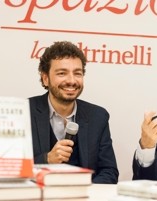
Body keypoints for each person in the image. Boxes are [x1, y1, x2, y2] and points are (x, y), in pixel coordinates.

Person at [29, 41, 119, 184]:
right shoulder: (25, 112)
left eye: (77, 73)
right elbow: (6, 169)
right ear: (45, 78)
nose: (71, 81)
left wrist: (85, 194)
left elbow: (109, 172)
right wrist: (46, 159)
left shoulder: (98, 116)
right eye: (62, 73)